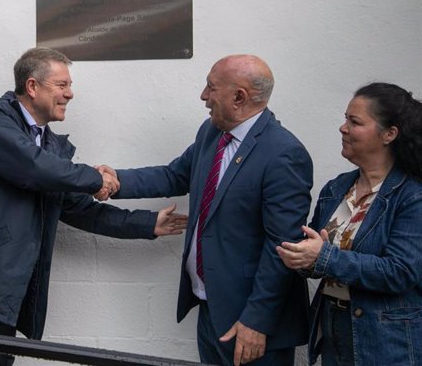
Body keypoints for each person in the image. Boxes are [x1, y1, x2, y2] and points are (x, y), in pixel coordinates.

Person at [0, 47, 187, 366]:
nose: (70, 94)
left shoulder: (52, 152)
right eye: (62, 85)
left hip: (0, 296)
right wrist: (94, 177)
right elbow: (32, 167)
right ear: (33, 86)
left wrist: (147, 224)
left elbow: (81, 209)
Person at [98, 54, 313, 365]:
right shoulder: (212, 131)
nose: (203, 96)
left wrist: (257, 321)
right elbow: (175, 175)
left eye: (211, 88)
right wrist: (116, 181)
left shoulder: (283, 153)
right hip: (211, 307)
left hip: (250, 321)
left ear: (239, 97)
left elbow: (282, 248)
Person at [276, 82, 422, 365]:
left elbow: (400, 272)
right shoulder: (337, 188)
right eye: (345, 118)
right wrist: (302, 258)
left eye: (354, 122)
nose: (343, 128)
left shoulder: (412, 196)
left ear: (389, 134)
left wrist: (322, 257)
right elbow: (316, 252)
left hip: (387, 341)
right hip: (334, 332)